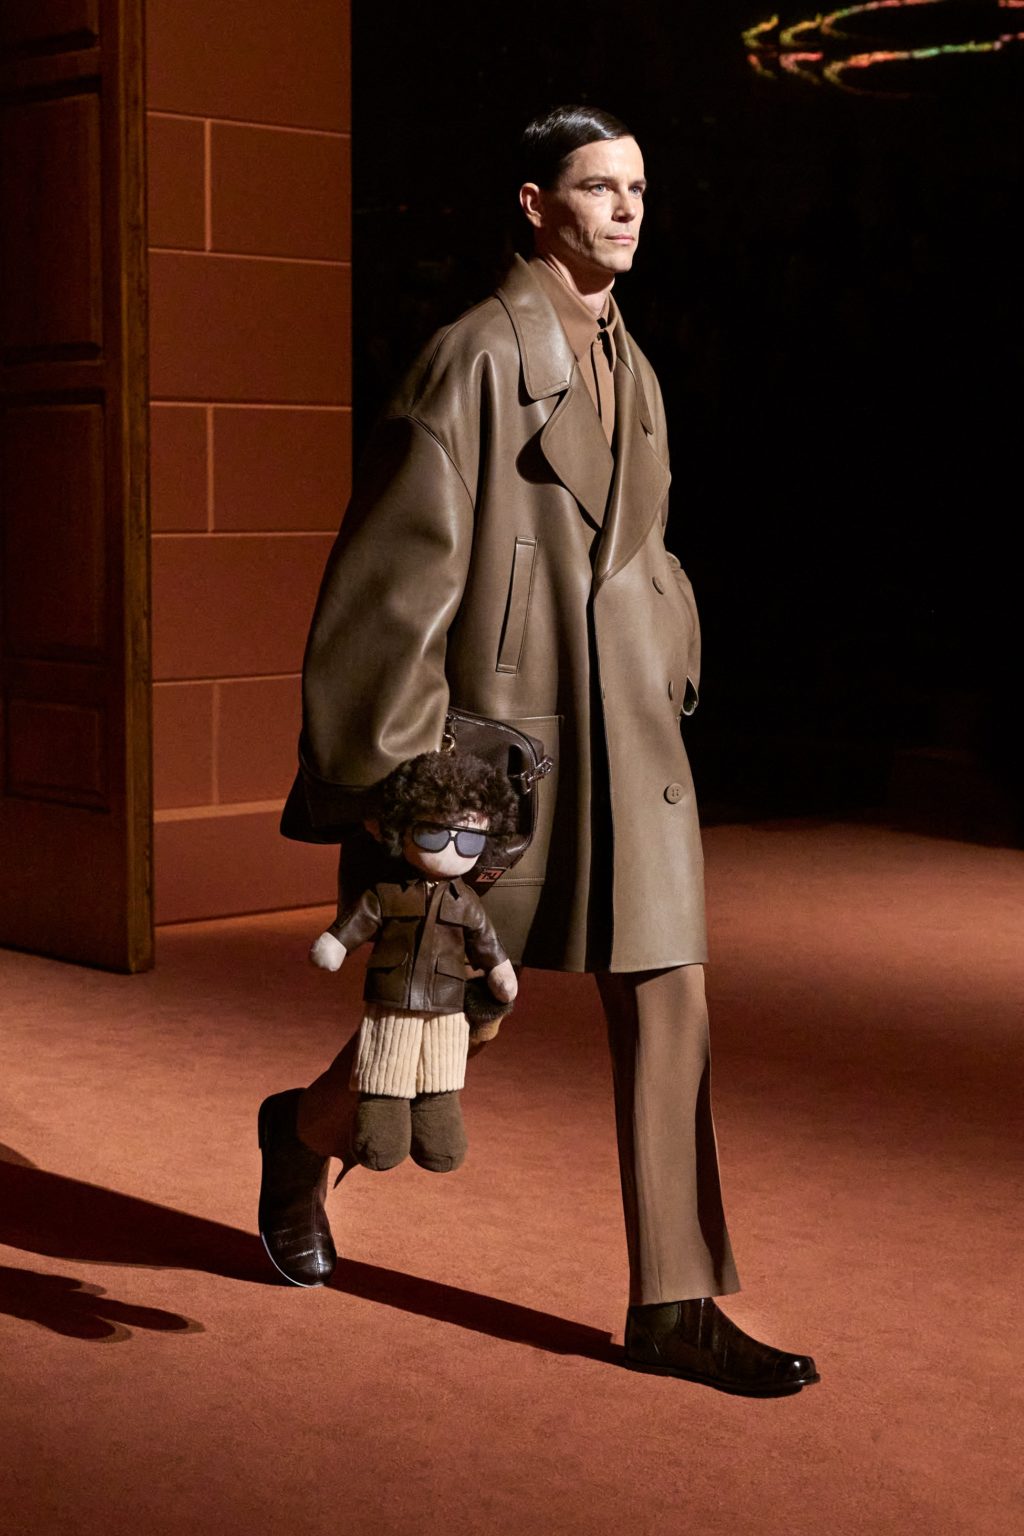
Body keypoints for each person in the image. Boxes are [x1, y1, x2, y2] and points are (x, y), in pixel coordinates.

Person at [260, 104, 819, 1396]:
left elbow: (646, 542)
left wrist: (671, 645)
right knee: (446, 1013)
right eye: (599, 187)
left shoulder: (636, 362)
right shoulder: (471, 359)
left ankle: (675, 1301)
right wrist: (404, 773)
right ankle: (302, 1135)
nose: (627, 209)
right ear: (534, 204)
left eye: (639, 188)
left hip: (630, 736)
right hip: (499, 752)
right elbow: (392, 580)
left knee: (670, 996)